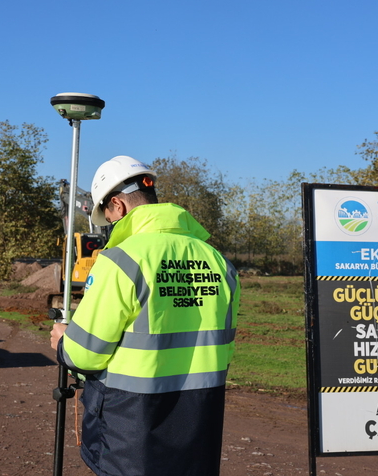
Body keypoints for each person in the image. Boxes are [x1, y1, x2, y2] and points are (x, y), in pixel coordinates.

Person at [50, 155, 240, 476]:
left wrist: (63, 342)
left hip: (132, 428)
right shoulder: (219, 262)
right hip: (200, 422)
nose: (109, 225)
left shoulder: (121, 261)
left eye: (107, 215)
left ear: (118, 206)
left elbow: (84, 355)